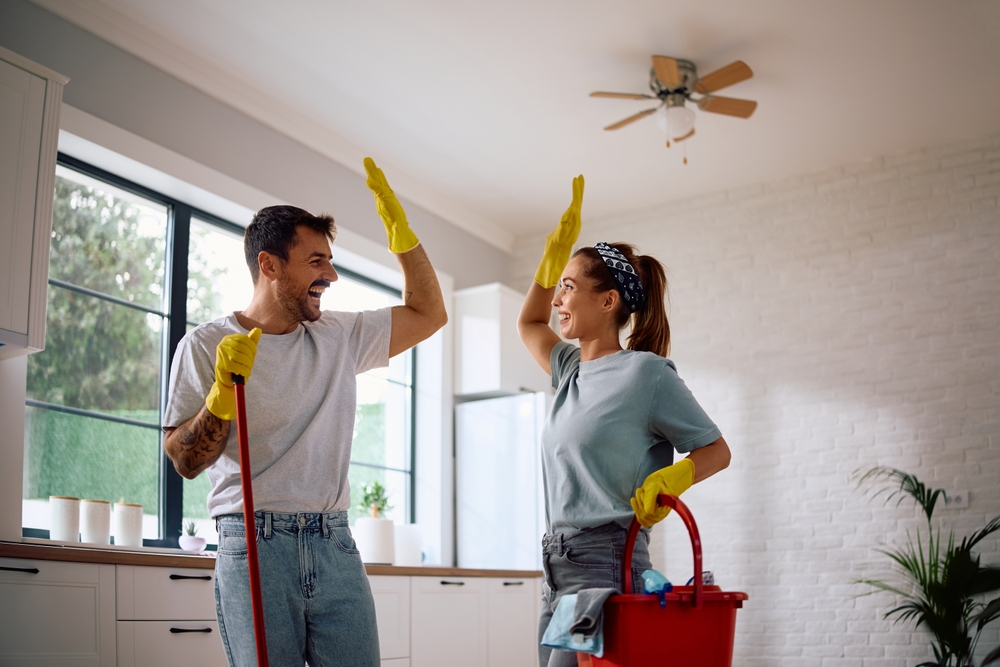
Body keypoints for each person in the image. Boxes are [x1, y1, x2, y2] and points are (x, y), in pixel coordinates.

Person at [163, 158, 447, 667]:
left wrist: (403, 238)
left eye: (330, 261)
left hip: (334, 541)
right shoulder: (205, 345)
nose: (331, 275)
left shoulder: (337, 336)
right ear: (269, 265)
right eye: (317, 261)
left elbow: (430, 313)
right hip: (252, 543)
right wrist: (220, 397)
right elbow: (184, 462)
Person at [517, 175, 732, 667]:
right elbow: (529, 323)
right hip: (557, 563)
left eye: (568, 288)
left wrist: (672, 476)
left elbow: (716, 450)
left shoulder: (646, 374)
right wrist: (552, 260)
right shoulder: (570, 369)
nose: (557, 300)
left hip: (606, 560)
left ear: (608, 301)